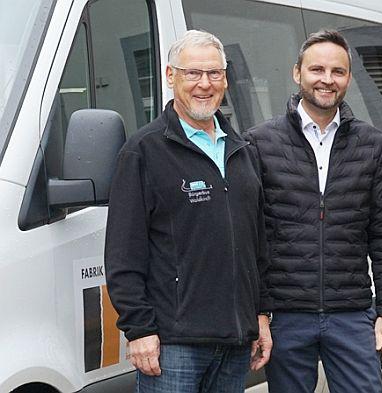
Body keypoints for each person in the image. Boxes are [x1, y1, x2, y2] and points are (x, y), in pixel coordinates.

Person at [104, 30, 272, 393]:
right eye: (192, 73)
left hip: (235, 341)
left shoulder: (242, 151)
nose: (204, 84)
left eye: (214, 73)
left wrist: (260, 315)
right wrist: (140, 330)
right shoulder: (143, 151)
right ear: (170, 76)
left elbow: (257, 245)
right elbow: (123, 253)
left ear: (225, 79)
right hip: (172, 344)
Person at [244, 29, 382, 393]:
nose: (327, 80)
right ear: (297, 73)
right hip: (286, 315)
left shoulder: (373, 144)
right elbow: (253, 236)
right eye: (317, 69)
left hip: (351, 313)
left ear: (348, 78)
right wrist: (259, 312)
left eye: (338, 71)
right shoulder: (260, 142)